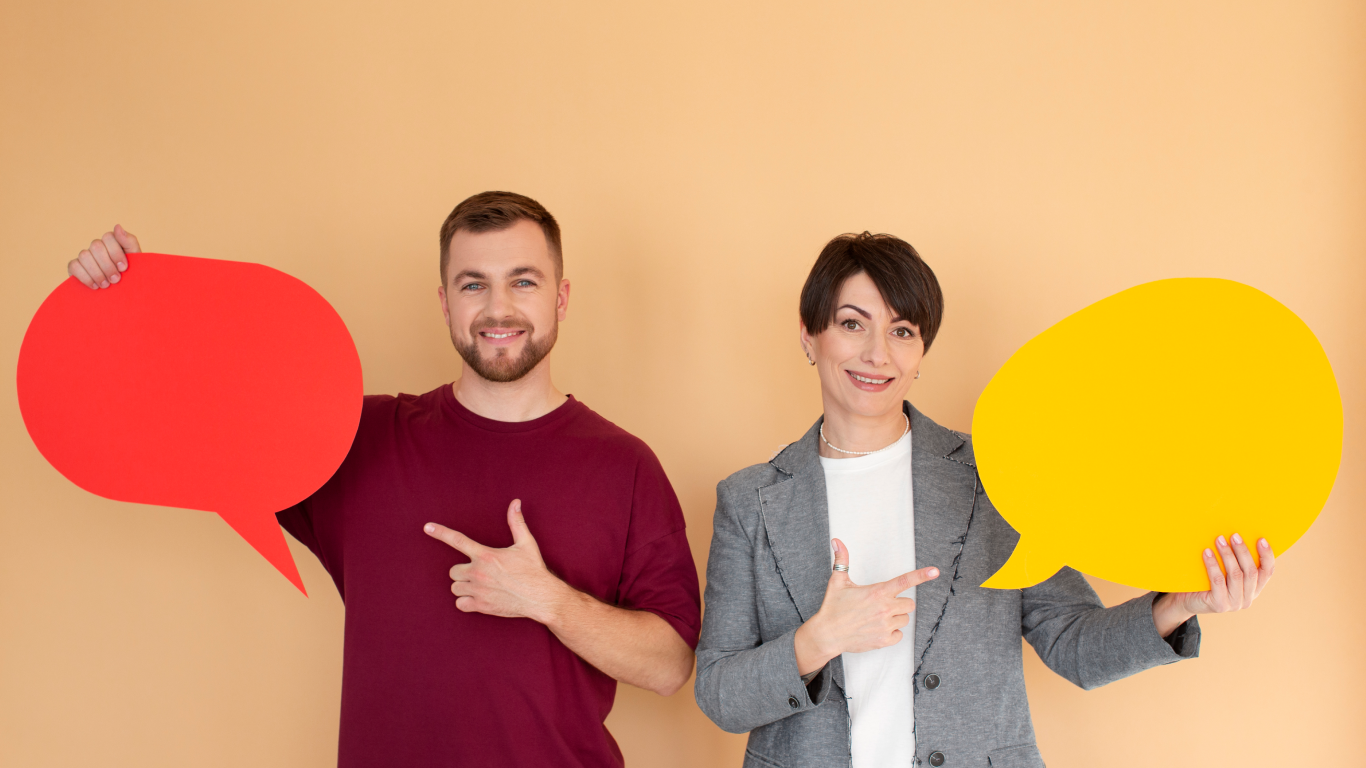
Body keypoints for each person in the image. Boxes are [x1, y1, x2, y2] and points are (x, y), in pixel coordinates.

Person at [65, 192, 702, 768]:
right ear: (445, 300)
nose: (498, 307)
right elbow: (188, 415)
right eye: (473, 284)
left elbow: (671, 666)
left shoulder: (624, 466)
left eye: (524, 281)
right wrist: (127, 298)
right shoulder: (358, 437)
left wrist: (545, 600)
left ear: (560, 297)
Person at [693, 232, 1275, 768]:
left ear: (920, 353)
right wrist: (819, 640)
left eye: (902, 331)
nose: (877, 354)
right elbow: (719, 694)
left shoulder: (991, 477)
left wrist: (1180, 604)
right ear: (808, 335)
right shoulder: (751, 501)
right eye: (852, 323)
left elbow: (1073, 641)